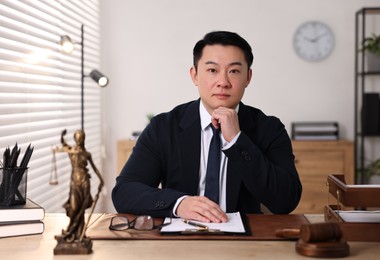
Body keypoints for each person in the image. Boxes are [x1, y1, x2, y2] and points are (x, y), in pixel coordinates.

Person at [112, 31, 301, 223]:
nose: (223, 82)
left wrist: (237, 141)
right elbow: (125, 191)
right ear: (194, 75)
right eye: (212, 70)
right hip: (179, 239)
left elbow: (286, 201)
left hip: (245, 241)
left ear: (248, 77)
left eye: (234, 71)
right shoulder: (163, 127)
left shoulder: (269, 128)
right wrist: (179, 204)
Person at [53, 129, 104, 242]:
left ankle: (78, 233)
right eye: (77, 138)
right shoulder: (72, 151)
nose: (79, 140)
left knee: (81, 208)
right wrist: (62, 135)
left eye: (81, 138)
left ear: (83, 139)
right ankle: (70, 231)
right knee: (74, 207)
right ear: (75, 139)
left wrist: (101, 180)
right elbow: (63, 144)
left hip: (85, 182)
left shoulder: (86, 154)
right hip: (74, 183)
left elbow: (94, 168)